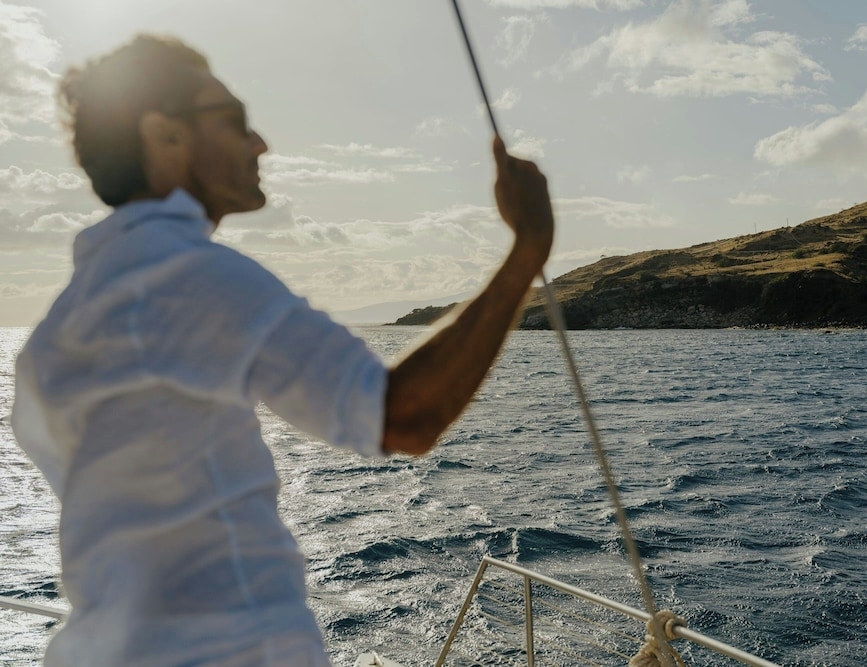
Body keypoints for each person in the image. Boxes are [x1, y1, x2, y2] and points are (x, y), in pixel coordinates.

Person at [12, 34, 553, 667]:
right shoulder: (196, 277)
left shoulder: (51, 338)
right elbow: (402, 416)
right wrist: (528, 249)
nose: (260, 142)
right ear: (164, 136)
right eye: (235, 121)